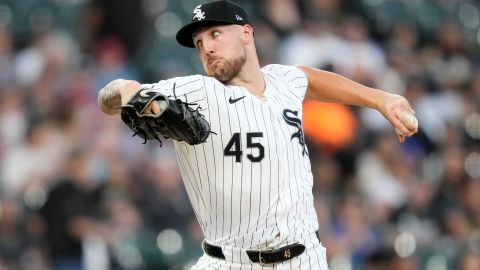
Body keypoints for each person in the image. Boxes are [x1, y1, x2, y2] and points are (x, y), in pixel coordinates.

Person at [97, 1, 418, 269]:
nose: (206, 47)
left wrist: (381, 99)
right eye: (198, 43)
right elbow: (108, 98)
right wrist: (126, 92)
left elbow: (310, 79)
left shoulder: (282, 81)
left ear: (247, 33)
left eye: (215, 34)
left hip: (304, 258)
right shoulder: (196, 90)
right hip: (230, 262)